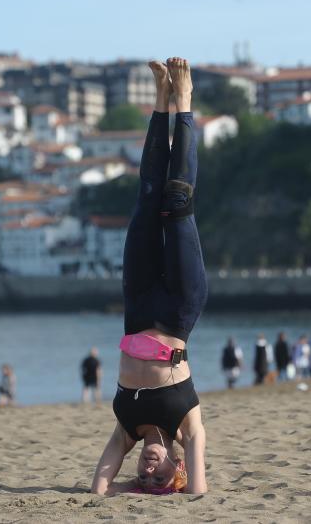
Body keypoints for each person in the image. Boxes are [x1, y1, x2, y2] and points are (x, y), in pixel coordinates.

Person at [90, 58, 208, 496]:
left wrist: (129, 490)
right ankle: (185, 101)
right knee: (176, 202)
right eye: (158, 476)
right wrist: (175, 486)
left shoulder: (125, 429)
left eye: (142, 476)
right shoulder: (187, 425)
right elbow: (198, 493)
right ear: (177, 464)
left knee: (145, 201)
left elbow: (100, 486)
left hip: (137, 309)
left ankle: (161, 100)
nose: (147, 471)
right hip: (180, 308)